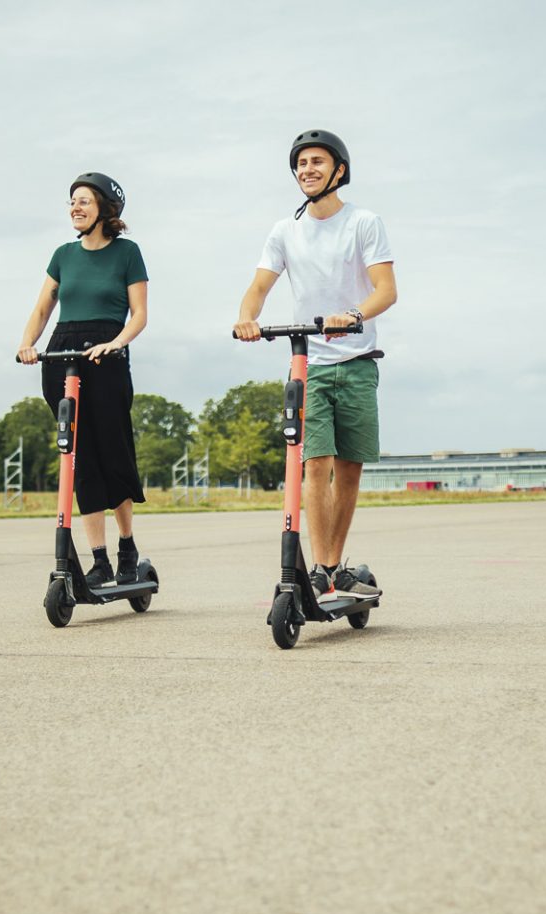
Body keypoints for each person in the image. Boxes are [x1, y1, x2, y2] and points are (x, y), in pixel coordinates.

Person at [233, 130, 397, 599]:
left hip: (359, 360)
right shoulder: (285, 231)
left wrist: (356, 314)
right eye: (301, 162)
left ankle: (331, 565)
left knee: (348, 469)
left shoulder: (364, 222)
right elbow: (259, 287)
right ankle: (323, 571)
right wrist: (248, 318)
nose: (307, 169)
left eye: (317, 161)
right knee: (314, 464)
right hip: (311, 365)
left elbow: (386, 289)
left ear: (339, 170)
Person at [16, 172, 148, 588]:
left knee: (114, 453)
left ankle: (127, 548)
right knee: (81, 460)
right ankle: (99, 560)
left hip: (105, 354)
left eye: (84, 200)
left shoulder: (127, 252)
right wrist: (26, 344)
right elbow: (42, 309)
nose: (75, 206)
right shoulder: (62, 254)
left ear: (105, 209)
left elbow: (139, 314)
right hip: (63, 352)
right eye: (72, 200)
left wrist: (117, 342)